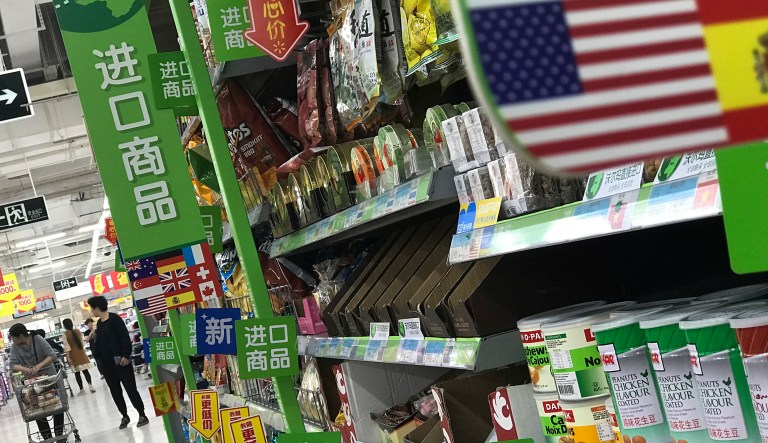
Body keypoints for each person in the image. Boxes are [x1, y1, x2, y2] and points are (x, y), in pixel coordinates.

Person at [87, 295, 149, 429]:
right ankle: (125, 416)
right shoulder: (99, 323)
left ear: (98, 307)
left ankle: (142, 414)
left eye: (92, 308)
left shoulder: (115, 319)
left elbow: (124, 338)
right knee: (115, 392)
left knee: (131, 389)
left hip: (122, 362)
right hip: (107, 365)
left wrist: (126, 356)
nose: (91, 311)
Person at [8, 324, 65, 441]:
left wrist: (38, 366)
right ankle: (47, 438)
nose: (12, 340)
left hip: (49, 379)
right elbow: (13, 365)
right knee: (37, 410)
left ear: (20, 336)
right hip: (32, 382)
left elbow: (52, 355)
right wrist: (27, 370)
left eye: (13, 337)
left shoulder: (38, 339)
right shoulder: (15, 347)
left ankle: (59, 436)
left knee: (57, 406)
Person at [62, 319, 96, 395]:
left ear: (64, 326)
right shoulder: (78, 331)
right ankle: (90, 386)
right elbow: (83, 343)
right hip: (81, 353)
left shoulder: (65, 334)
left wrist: (68, 358)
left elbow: (67, 347)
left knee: (77, 374)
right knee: (86, 371)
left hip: (73, 355)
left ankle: (82, 390)